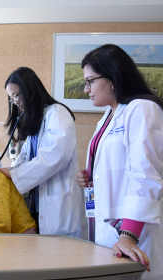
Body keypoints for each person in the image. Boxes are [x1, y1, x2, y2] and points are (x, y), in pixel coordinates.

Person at [76, 44, 163, 279]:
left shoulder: (141, 109)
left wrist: (129, 235)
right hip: (110, 232)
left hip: (133, 236)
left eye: (91, 81)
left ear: (113, 77)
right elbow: (116, 169)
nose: (86, 90)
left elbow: (146, 176)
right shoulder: (109, 115)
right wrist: (91, 177)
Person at [0, 67, 83, 237]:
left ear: (30, 90)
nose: (14, 102)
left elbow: (57, 155)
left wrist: (14, 174)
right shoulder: (37, 121)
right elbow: (24, 161)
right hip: (36, 206)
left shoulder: (57, 113)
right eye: (11, 97)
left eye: (16, 95)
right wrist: (8, 172)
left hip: (57, 206)